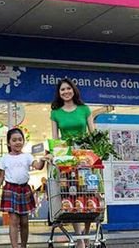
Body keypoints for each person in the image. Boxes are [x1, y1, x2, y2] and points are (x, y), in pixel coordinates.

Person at [49, 78, 93, 246]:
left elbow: (93, 133)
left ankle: (87, 235)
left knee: (89, 193)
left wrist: (97, 152)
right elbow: (55, 139)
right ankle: (79, 237)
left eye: (68, 88)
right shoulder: (56, 113)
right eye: (62, 90)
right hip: (67, 158)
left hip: (85, 157)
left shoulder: (84, 109)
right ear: (59, 93)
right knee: (72, 194)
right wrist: (53, 155)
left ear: (73, 90)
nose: (66, 92)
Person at [0, 128, 48, 248]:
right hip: (10, 189)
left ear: (23, 141)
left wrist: (43, 159)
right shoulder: (5, 158)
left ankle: (23, 246)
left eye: (20, 139)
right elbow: (1, 176)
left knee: (24, 222)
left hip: (24, 189)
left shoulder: (27, 156)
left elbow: (38, 166)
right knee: (14, 220)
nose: (18, 142)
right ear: (8, 143)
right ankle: (15, 246)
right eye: (14, 140)